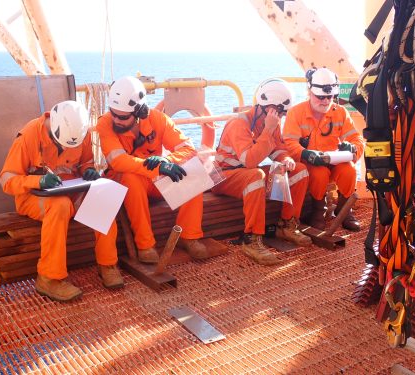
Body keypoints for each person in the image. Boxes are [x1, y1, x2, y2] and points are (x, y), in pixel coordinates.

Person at [0, 100, 123, 302]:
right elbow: (7, 180)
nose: (66, 147)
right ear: (53, 130)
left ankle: (107, 264)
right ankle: (49, 278)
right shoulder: (28, 137)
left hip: (70, 189)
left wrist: (88, 170)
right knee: (60, 205)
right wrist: (38, 181)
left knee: (104, 196)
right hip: (34, 197)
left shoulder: (80, 131)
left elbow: (85, 161)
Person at [96, 76, 208, 262]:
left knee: (194, 174)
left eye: (122, 117)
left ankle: (189, 237)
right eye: (112, 113)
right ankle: (145, 245)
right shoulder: (105, 123)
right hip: (124, 182)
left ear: (139, 112)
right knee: (131, 177)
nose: (116, 120)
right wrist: (159, 168)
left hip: (153, 181)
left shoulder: (159, 120)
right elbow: (119, 162)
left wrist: (167, 160)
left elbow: (188, 149)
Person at [213, 78, 312, 265]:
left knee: (300, 170)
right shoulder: (239, 124)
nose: (281, 117)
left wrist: (287, 160)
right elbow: (250, 161)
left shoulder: (270, 123)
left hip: (245, 173)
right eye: (279, 112)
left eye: (283, 113)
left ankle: (287, 225)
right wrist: (268, 128)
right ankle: (251, 239)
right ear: (267, 106)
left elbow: (278, 150)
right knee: (256, 175)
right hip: (224, 176)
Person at [283, 67, 364, 231]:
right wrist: (305, 153)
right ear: (309, 92)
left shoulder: (340, 112)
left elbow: (357, 139)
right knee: (319, 174)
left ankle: (344, 210)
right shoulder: (296, 113)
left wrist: (353, 148)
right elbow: (289, 143)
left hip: (334, 161)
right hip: (311, 164)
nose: (326, 101)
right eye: (320, 97)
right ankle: (318, 212)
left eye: (329, 97)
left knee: (349, 170)